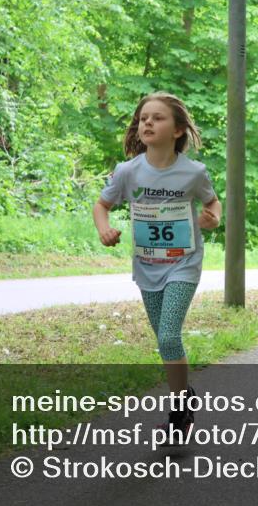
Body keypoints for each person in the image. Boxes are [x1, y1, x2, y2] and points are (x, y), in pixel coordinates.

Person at [93, 92, 221, 441]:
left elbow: (212, 202)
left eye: (158, 118)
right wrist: (104, 228)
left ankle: (179, 413)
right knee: (164, 342)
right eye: (143, 117)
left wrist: (212, 219)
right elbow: (102, 205)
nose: (147, 122)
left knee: (168, 336)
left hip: (184, 263)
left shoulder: (193, 172)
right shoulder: (128, 172)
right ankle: (185, 396)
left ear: (178, 129)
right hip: (147, 266)